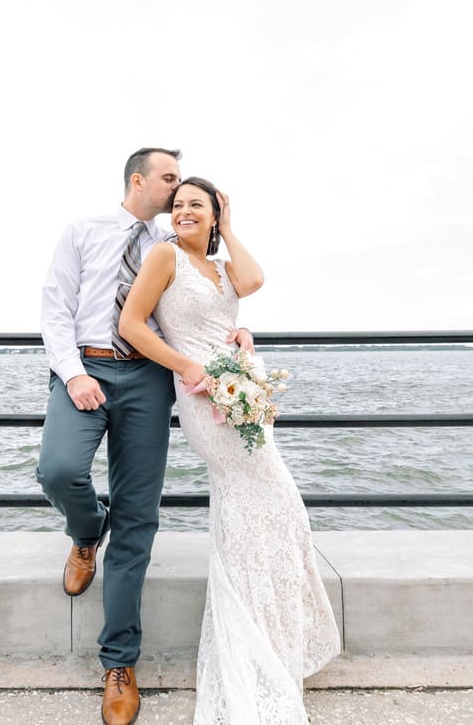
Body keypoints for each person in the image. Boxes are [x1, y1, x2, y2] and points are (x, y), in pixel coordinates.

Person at [38, 149, 254, 725]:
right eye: (169, 179)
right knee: (58, 470)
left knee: (137, 517)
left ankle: (119, 663)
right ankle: (86, 532)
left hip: (150, 378)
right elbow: (55, 309)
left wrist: (235, 329)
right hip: (85, 367)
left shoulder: (174, 242)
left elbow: (214, 294)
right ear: (139, 180)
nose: (178, 188)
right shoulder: (84, 231)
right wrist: (74, 372)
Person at [118, 177, 341, 723]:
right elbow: (130, 325)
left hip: (243, 386)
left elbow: (253, 280)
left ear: (216, 213)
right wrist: (187, 366)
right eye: (179, 206)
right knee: (262, 498)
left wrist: (241, 332)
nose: (185, 212)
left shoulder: (220, 267)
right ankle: (251, 638)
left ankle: (276, 631)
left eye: (198, 204)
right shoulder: (163, 256)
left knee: (273, 506)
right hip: (201, 395)